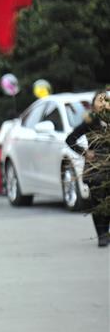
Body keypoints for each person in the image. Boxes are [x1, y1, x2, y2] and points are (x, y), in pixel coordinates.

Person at [66, 90, 110, 247]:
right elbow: (70, 139)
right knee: (98, 202)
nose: (104, 104)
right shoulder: (90, 122)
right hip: (96, 168)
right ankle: (102, 235)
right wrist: (85, 152)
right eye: (100, 101)